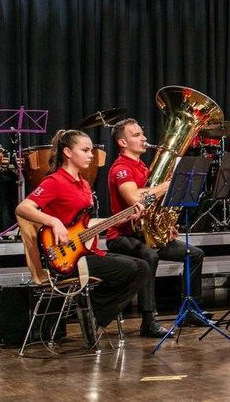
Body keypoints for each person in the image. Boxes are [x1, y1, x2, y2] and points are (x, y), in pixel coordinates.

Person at [15, 130, 147, 342]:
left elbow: (86, 225)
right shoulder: (55, 181)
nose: (90, 155)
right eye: (85, 150)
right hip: (64, 257)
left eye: (91, 150)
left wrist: (122, 218)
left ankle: (93, 313)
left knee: (142, 267)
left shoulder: (84, 183)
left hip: (85, 251)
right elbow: (23, 208)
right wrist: (54, 221)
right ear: (67, 152)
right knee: (132, 268)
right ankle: (92, 313)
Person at [106, 119, 207, 338]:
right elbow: (134, 197)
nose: (143, 138)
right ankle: (148, 320)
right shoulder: (121, 168)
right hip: (123, 235)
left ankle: (191, 311)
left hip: (145, 234)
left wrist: (166, 225)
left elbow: (155, 206)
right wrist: (165, 186)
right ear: (122, 142)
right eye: (136, 135)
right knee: (149, 257)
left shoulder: (143, 167)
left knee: (195, 254)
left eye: (142, 133)